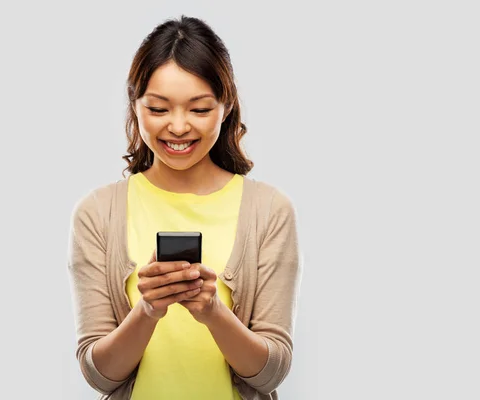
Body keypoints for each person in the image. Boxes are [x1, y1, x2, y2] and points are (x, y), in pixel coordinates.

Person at [66, 15, 304, 400]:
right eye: (159, 109)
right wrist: (147, 310)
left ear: (226, 107)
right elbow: (99, 376)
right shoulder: (97, 212)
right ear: (134, 105)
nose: (178, 127)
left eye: (199, 109)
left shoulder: (270, 210)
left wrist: (212, 311)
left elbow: (271, 372)